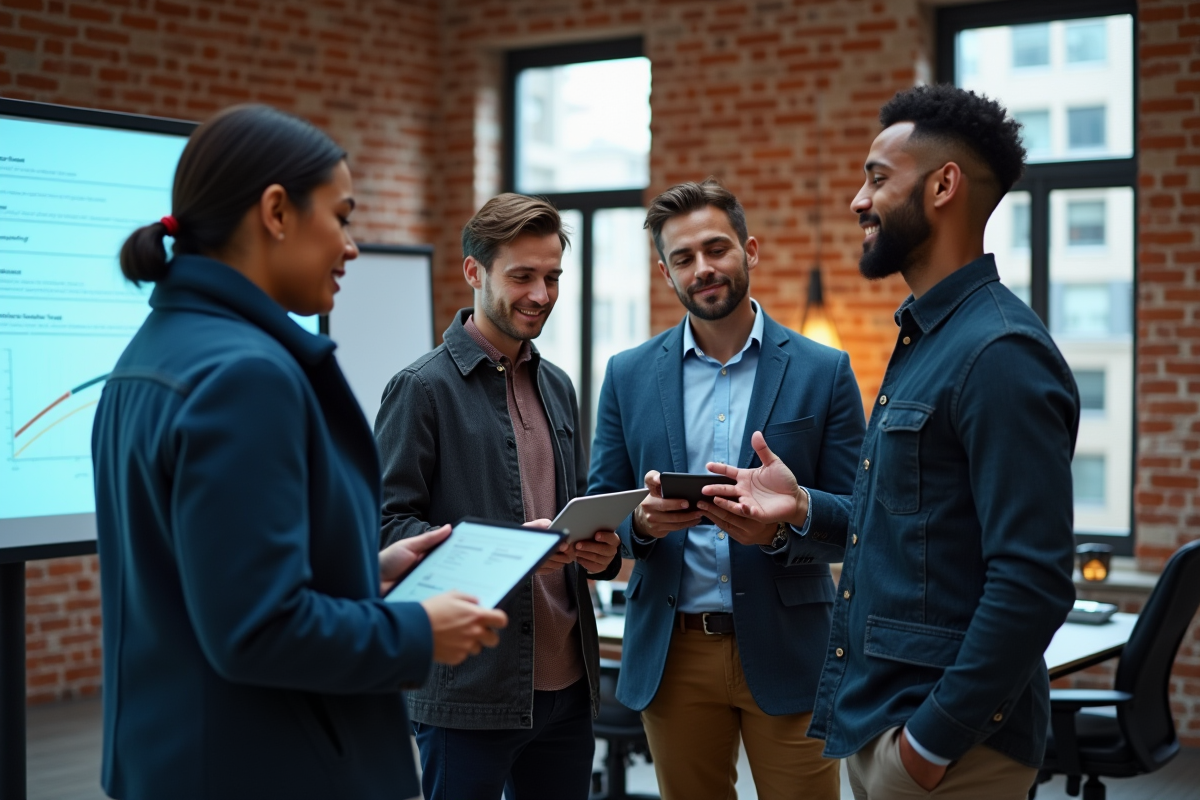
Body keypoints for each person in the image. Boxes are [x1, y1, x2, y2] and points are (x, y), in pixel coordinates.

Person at [92, 105, 506, 800]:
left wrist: (358, 574)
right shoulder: (243, 376)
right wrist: (414, 630)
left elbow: (210, 584)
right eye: (341, 217)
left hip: (181, 760)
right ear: (277, 212)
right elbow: (258, 628)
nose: (352, 247)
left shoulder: (150, 356)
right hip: (269, 766)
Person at [704, 85, 1080, 800]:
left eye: (877, 177)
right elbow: (911, 533)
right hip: (887, 724)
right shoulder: (929, 340)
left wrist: (930, 744)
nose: (858, 200)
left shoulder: (1000, 353)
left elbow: (1033, 583)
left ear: (943, 186)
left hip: (950, 750)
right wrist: (801, 509)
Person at [586, 179, 866, 800]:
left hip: (791, 647)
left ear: (751, 250)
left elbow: (863, 519)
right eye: (683, 258)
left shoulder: (825, 371)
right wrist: (643, 525)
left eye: (717, 248)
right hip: (673, 653)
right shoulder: (627, 375)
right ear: (666, 273)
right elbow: (603, 510)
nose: (703, 268)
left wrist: (790, 518)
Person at [373, 192, 622, 800]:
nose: (542, 294)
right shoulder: (419, 389)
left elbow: (573, 510)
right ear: (473, 272)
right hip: (469, 690)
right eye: (523, 277)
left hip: (568, 685)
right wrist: (507, 550)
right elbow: (383, 529)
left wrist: (602, 551)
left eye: (553, 277)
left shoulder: (558, 385)